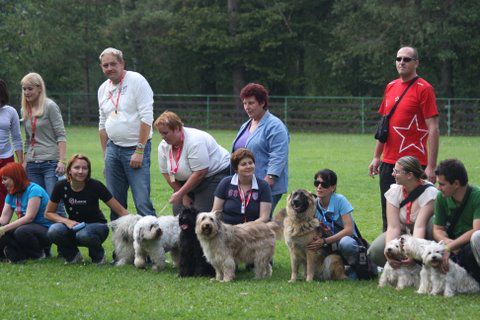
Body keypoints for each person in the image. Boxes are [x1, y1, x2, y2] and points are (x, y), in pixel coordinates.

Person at [368, 46, 440, 232]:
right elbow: (385, 125)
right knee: (388, 213)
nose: (401, 62)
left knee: (416, 214)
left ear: (416, 62)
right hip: (389, 162)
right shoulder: (391, 86)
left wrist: (431, 166)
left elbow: (433, 128)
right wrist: (377, 156)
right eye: (398, 58)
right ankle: (390, 256)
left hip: (414, 165)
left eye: (407, 59)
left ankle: (416, 255)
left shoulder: (424, 89)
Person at [97, 47, 156, 219]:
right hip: (113, 149)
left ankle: (151, 245)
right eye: (105, 65)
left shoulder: (137, 81)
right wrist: (105, 155)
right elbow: (102, 123)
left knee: (142, 202)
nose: (109, 68)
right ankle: (120, 245)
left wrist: (139, 150)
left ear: (122, 63)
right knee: (115, 203)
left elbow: (147, 117)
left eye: (113, 64)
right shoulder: (103, 89)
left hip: (135, 149)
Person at [45, 154, 129, 264]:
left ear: (88, 171)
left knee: (83, 234)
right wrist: (67, 221)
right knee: (54, 230)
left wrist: (136, 223)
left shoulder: (96, 185)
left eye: (84, 168)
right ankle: (73, 256)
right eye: (76, 168)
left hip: (98, 227)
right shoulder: (61, 186)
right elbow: (48, 213)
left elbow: (121, 210)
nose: (80, 171)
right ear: (69, 170)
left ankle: (98, 257)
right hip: (74, 226)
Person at [368, 156, 438, 267]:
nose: (392, 174)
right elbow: (393, 227)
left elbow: (420, 227)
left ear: (409, 175)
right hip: (403, 233)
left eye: (396, 171)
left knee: (432, 224)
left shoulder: (430, 193)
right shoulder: (394, 191)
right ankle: (401, 265)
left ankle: (425, 263)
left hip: (424, 234)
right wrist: (389, 254)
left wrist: (412, 255)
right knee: (375, 252)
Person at [155, 111, 230, 214]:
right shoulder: (163, 146)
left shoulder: (194, 141)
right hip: (188, 180)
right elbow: (167, 173)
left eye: (165, 133)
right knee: (179, 213)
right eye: (160, 133)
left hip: (212, 176)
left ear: (177, 128)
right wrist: (183, 195)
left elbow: (200, 173)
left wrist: (180, 193)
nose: (162, 137)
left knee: (200, 215)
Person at [232, 83, 289, 212]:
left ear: (262, 103)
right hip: (245, 185)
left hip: (265, 187)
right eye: (245, 103)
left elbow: (279, 157)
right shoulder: (246, 125)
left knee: (259, 227)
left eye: (251, 103)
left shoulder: (275, 126)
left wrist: (265, 184)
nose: (247, 107)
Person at [20, 73, 67, 214]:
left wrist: (62, 161)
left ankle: (63, 234)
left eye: (30, 89)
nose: (26, 92)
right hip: (32, 164)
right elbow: (27, 140)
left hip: (50, 163)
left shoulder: (50, 106)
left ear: (39, 88)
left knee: (55, 204)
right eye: (24, 89)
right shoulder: (24, 109)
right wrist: (24, 161)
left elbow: (61, 135)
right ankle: (43, 235)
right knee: (37, 204)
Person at [306, 169, 361, 277]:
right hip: (328, 245)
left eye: (324, 184)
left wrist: (325, 241)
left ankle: (354, 267)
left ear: (333, 187)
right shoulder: (313, 204)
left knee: (346, 243)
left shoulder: (340, 200)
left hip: (344, 241)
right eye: (317, 183)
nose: (319, 187)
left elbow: (349, 230)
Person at [433, 159, 480, 282]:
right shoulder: (441, 197)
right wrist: (448, 243)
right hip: (455, 244)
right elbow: (437, 229)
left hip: (473, 246)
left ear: (456, 183)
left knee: (470, 249)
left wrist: (449, 247)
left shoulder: (477, 196)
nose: (438, 188)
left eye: (442, 184)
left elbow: (477, 230)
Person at [0, 163, 52, 262]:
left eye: (5, 179)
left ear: (15, 178)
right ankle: (15, 254)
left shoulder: (34, 190)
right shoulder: (11, 194)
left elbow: (29, 217)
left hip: (45, 229)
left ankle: (38, 254)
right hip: (27, 227)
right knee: (7, 232)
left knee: (21, 231)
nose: (2, 182)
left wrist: (4, 229)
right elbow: (3, 220)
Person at [212, 148, 272, 225]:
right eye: (243, 164)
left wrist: (245, 228)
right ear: (236, 169)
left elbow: (264, 217)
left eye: (250, 163)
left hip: (255, 231)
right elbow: (216, 212)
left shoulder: (263, 186)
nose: (248, 166)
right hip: (228, 230)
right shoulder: (225, 183)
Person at [0, 79, 23, 211]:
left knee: (6, 195)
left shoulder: (10, 112)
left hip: (6, 160)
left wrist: (20, 163)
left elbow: (17, 138)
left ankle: (3, 226)